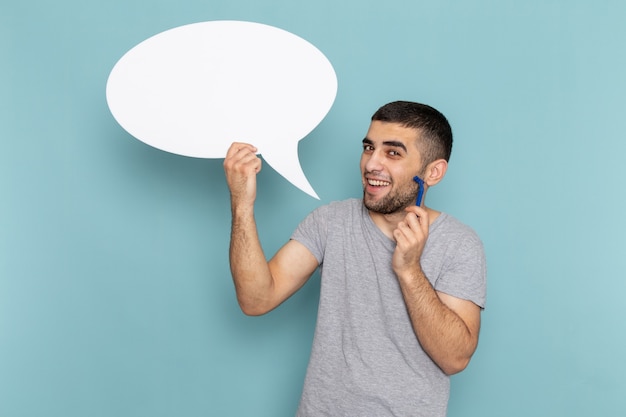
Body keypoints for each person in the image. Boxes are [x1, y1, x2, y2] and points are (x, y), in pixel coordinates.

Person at [223, 101, 486, 417]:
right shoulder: (330, 222)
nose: (371, 163)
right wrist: (242, 203)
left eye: (392, 153)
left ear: (432, 172)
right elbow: (256, 300)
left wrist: (409, 269)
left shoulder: (459, 243)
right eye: (368, 147)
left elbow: (455, 358)